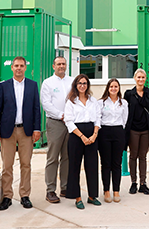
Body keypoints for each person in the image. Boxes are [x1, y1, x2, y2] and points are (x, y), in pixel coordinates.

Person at [0, 56, 42, 211]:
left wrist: (37, 128)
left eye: (21, 65)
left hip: (26, 130)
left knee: (26, 164)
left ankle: (25, 195)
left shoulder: (33, 86)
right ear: (12, 68)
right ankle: (7, 196)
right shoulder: (3, 86)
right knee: (7, 165)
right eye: (16, 66)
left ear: (25, 68)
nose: (19, 68)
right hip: (7, 130)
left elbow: (36, 109)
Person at [64, 74, 102, 209]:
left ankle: (92, 196)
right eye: (80, 83)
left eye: (85, 83)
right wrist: (82, 136)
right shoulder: (71, 102)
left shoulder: (93, 101)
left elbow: (98, 118)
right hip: (76, 135)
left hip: (92, 134)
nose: (82, 85)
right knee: (74, 167)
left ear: (88, 85)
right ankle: (77, 197)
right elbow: (68, 121)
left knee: (92, 166)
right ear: (75, 85)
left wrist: (94, 134)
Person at [40, 56, 74, 203]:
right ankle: (50, 190)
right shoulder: (48, 83)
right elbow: (46, 104)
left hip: (71, 123)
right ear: (53, 66)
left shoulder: (72, 81)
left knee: (67, 157)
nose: (61, 66)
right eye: (59, 64)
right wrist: (61, 115)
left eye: (63, 64)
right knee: (53, 157)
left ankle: (65, 187)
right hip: (55, 123)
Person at [124, 68, 149, 195]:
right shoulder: (128, 94)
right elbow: (125, 111)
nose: (141, 79)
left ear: (145, 79)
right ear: (134, 78)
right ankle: (133, 183)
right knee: (133, 156)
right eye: (139, 77)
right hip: (133, 129)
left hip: (145, 129)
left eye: (143, 77)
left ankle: (143, 183)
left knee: (143, 156)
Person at [98, 78, 129, 203]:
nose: (113, 89)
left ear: (119, 88)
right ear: (108, 88)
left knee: (117, 164)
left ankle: (116, 190)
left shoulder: (124, 103)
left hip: (118, 132)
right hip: (104, 132)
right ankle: (106, 190)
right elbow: (98, 118)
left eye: (116, 86)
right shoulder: (101, 103)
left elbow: (125, 119)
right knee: (106, 163)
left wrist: (119, 130)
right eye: (111, 86)